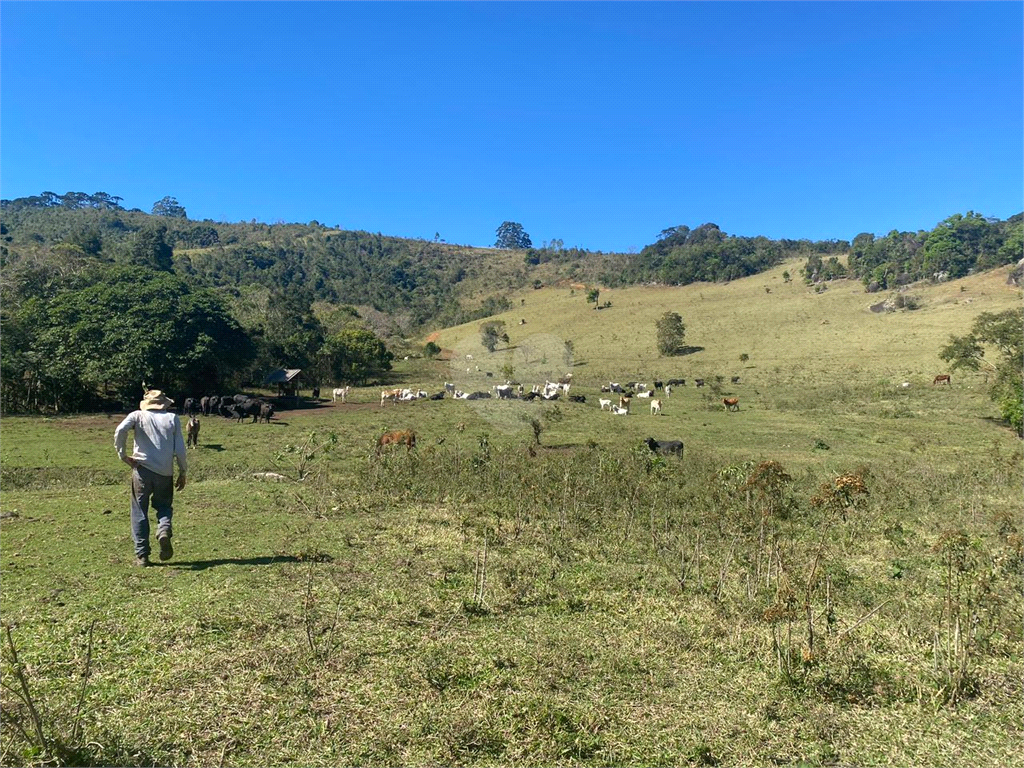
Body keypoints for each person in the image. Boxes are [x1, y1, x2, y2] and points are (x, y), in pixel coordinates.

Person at [114, 390, 187, 566]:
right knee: (164, 506)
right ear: (164, 403)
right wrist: (183, 471)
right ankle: (163, 530)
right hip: (165, 472)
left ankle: (142, 555)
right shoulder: (172, 418)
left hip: (141, 470)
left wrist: (123, 455)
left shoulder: (137, 416)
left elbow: (120, 430)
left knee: (139, 510)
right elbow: (180, 449)